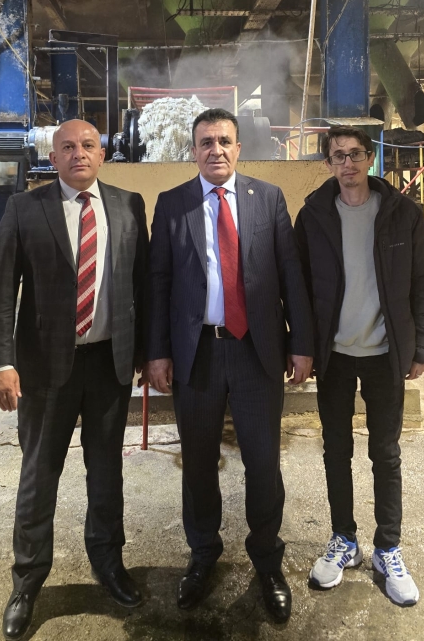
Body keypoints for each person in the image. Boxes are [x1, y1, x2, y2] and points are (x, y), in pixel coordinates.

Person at [144, 107, 313, 624]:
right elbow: (158, 282)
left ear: (239, 148)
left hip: (256, 351)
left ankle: (268, 561)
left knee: (263, 462)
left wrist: (301, 343)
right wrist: (157, 351)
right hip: (196, 352)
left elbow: (290, 273)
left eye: (224, 141)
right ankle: (203, 554)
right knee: (198, 463)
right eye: (205, 142)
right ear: (193, 151)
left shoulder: (268, 199)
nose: (215, 149)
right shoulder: (172, 204)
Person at [0, 119, 148, 640]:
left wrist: (147, 354)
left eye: (88, 146)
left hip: (109, 365)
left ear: (102, 155)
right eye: (68, 147)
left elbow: (141, 286)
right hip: (44, 368)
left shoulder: (128, 206)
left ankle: (108, 562)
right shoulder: (24, 208)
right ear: (52, 158)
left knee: (107, 473)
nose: (79, 154)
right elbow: (1, 291)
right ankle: (28, 581)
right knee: (39, 476)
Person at [293, 125, 424, 607]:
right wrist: (302, 346)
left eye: (356, 154)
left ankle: (388, 547)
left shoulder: (401, 213)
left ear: (370, 158)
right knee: (336, 451)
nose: (348, 163)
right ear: (328, 163)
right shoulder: (313, 216)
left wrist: (423, 345)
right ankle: (344, 539)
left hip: (384, 354)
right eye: (339, 155)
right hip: (334, 356)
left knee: (386, 453)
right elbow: (297, 287)